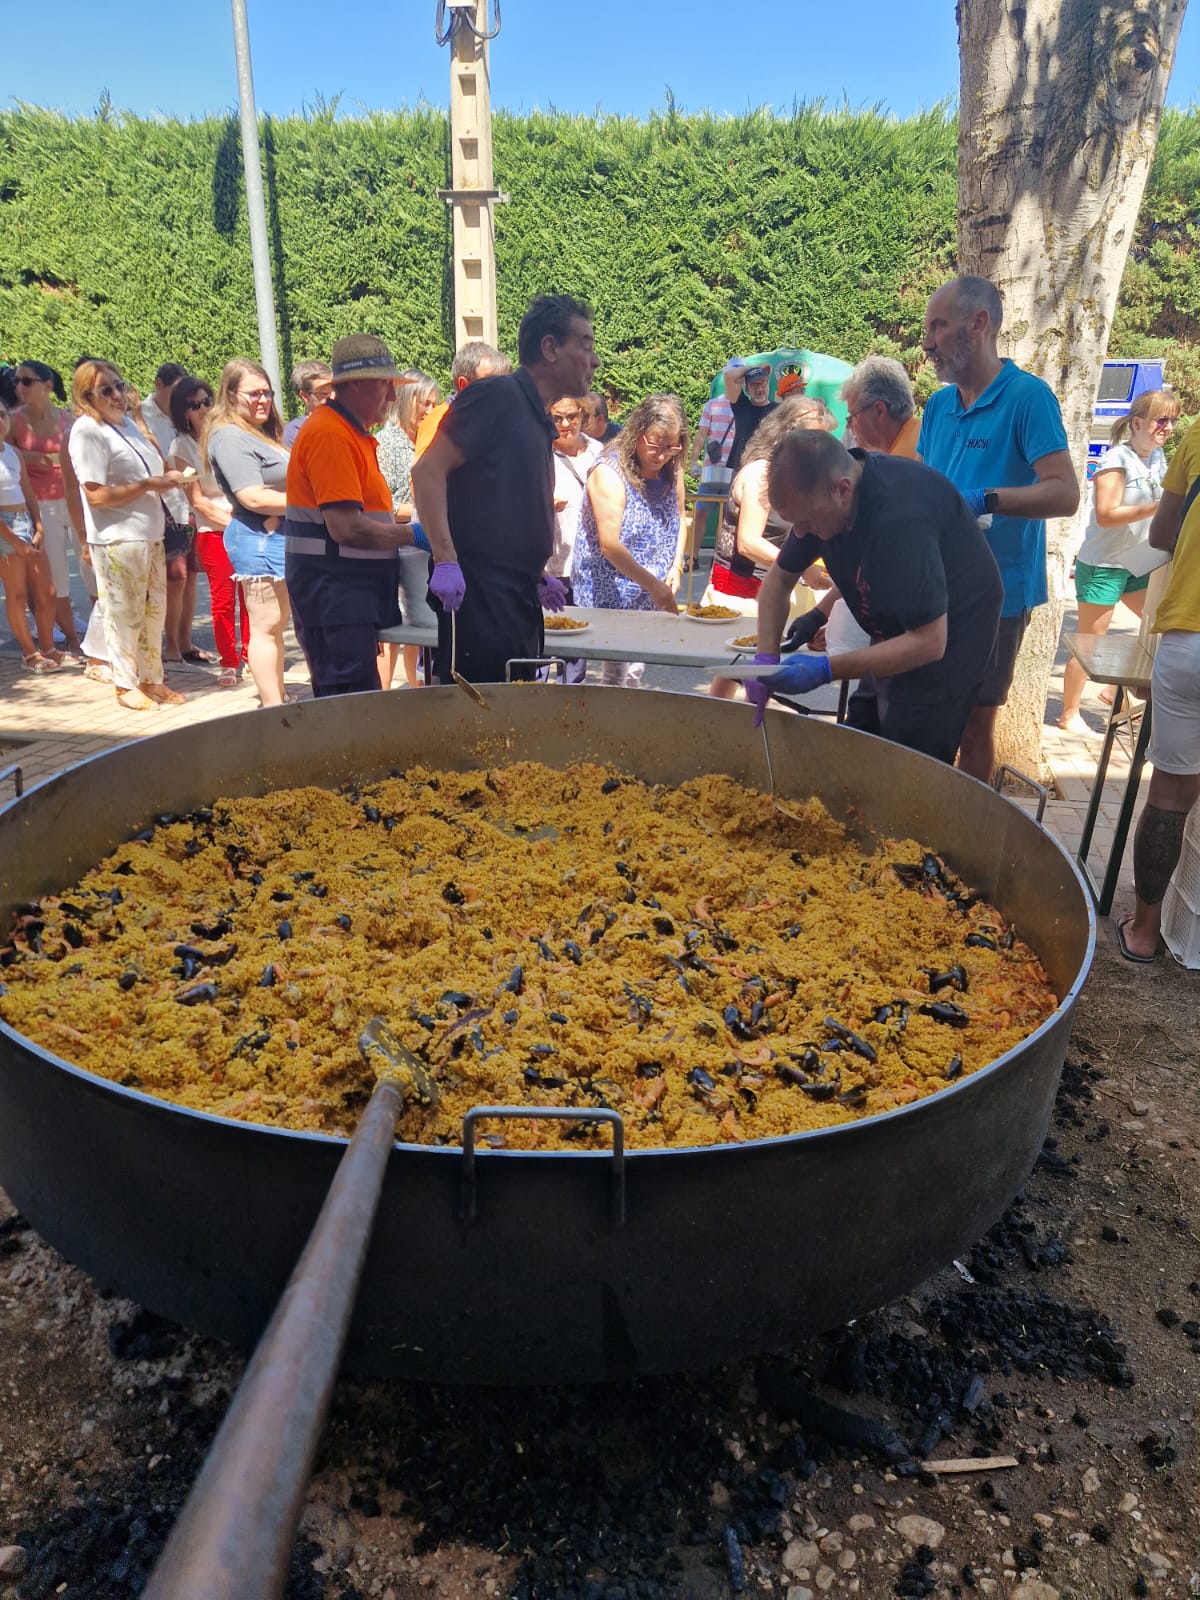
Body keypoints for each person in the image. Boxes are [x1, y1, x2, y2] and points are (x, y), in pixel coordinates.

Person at [744, 431, 1003, 766]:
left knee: (907, 752)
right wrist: (767, 656)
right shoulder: (820, 501)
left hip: (954, 633)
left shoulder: (900, 519)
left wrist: (826, 669)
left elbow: (929, 642)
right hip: (899, 624)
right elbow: (779, 581)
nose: (802, 533)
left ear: (842, 489)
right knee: (863, 731)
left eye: (805, 521)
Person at [917, 275, 1079, 781]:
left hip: (997, 593)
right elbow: (924, 484)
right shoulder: (939, 405)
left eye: (938, 326)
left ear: (978, 324)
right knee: (925, 714)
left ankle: (969, 840)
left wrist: (986, 498)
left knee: (972, 726)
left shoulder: (1028, 398)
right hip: (934, 586)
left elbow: (1065, 493)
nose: (926, 343)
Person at [412, 294, 600, 684]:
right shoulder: (495, 397)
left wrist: (534, 572)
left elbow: (501, 506)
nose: (594, 360)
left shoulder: (535, 414)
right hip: (478, 601)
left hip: (517, 600)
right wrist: (446, 559)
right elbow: (427, 471)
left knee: (512, 721)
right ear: (550, 348)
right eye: (585, 345)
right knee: (480, 724)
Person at [1113, 414, 1200, 961]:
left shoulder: (1195, 432)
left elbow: (1162, 535)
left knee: (1169, 794)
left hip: (1191, 636)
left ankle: (1143, 934)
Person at [285, 335, 414, 698]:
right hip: (334, 596)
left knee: (354, 703)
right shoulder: (331, 435)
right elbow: (345, 528)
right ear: (355, 385)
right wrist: (415, 536)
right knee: (348, 707)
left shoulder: (348, 433)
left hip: (343, 597)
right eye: (385, 386)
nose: (392, 397)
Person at [67, 360, 188, 711]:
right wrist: (149, 484)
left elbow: (153, 471)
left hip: (150, 533)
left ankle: (152, 678)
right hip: (118, 537)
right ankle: (124, 682)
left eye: (120, 386)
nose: (117, 395)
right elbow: (96, 494)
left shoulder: (127, 427)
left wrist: (168, 478)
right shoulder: (87, 431)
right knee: (124, 613)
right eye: (106, 390)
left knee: (153, 611)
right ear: (86, 395)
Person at [1059, 390, 1179, 733]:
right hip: (1104, 566)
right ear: (1137, 423)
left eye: (1173, 420)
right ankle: (1069, 715)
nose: (1168, 427)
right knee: (1090, 642)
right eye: (1161, 420)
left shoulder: (1159, 459)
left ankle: (1113, 690)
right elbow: (1108, 515)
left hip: (1140, 563)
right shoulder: (1116, 459)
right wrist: (1162, 507)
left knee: (1158, 628)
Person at [706, 397, 837, 700]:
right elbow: (748, 542)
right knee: (739, 673)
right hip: (741, 593)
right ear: (790, 437)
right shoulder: (762, 474)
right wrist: (802, 566)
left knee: (738, 674)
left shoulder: (784, 473)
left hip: (765, 589)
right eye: (815, 441)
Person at [573, 393, 689, 688]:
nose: (661, 455)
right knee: (616, 669)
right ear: (638, 433)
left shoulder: (672, 468)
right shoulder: (609, 472)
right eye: (654, 445)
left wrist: (675, 566)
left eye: (670, 447)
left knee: (636, 665)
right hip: (612, 585)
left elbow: (678, 517)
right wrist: (654, 585)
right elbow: (609, 544)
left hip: (652, 584)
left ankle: (628, 713)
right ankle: (612, 724)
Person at [205, 359, 292, 707]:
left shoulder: (255, 432)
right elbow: (251, 496)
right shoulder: (228, 435)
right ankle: (273, 708)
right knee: (266, 627)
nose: (263, 400)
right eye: (253, 393)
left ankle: (278, 698)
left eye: (267, 392)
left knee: (276, 628)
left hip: (275, 537)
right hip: (258, 541)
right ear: (230, 393)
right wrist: (312, 501)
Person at [166, 376, 246, 687]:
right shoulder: (181, 446)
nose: (202, 408)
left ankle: (253, 655)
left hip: (243, 525)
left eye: (206, 401)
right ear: (182, 412)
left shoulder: (228, 435)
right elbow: (197, 501)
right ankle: (229, 661)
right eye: (193, 405)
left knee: (252, 597)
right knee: (224, 601)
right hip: (214, 531)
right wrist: (237, 525)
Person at [10, 360, 85, 655]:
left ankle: (98, 640)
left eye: (26, 381)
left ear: (47, 386)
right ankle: (73, 641)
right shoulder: (13, 421)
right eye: (17, 381)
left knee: (89, 565)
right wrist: (35, 458)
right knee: (56, 576)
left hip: (72, 499)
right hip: (40, 504)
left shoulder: (67, 419)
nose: (19, 387)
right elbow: (7, 458)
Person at [377, 369, 442, 688]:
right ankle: (384, 693)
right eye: (424, 403)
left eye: (434, 403)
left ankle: (414, 685)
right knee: (391, 629)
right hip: (396, 541)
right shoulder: (386, 443)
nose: (430, 410)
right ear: (404, 401)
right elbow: (381, 505)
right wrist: (421, 512)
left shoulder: (426, 440)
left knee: (420, 623)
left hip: (421, 544)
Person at [139, 362, 203, 665]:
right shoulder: (141, 415)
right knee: (173, 578)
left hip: (189, 504)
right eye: (176, 393)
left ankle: (186, 642)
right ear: (159, 385)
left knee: (189, 577)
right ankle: (171, 646)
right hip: (162, 505)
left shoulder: (184, 418)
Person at [0, 397, 63, 672]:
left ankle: (48, 648)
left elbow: (28, 492)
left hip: (25, 520)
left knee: (47, 591)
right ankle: (29, 654)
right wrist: (14, 540)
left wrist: (38, 525)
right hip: (4, 527)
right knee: (17, 594)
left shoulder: (11, 452)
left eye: (2, 414)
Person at [545, 393, 603, 684]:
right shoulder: (539, 451)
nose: (565, 424)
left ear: (583, 415)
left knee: (577, 646)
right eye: (557, 418)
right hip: (548, 566)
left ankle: (570, 716)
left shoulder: (598, 452)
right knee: (543, 645)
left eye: (572, 416)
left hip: (586, 566)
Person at [413, 342, 510, 461]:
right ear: (464, 385)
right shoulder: (437, 423)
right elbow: (421, 475)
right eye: (489, 384)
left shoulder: (492, 420)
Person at [840, 356, 921, 458]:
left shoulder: (901, 462)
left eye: (853, 416)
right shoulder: (923, 435)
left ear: (879, 410)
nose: (849, 426)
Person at [727, 362, 778, 476]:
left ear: (768, 384)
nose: (760, 389)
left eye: (763, 384)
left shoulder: (779, 410)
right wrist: (753, 369)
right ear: (747, 388)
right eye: (754, 385)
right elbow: (729, 376)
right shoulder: (741, 405)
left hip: (768, 471)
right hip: (740, 470)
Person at [283, 360, 333, 448]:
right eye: (325, 393)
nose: (333, 397)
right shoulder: (294, 434)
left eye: (334, 390)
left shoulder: (350, 424)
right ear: (305, 396)